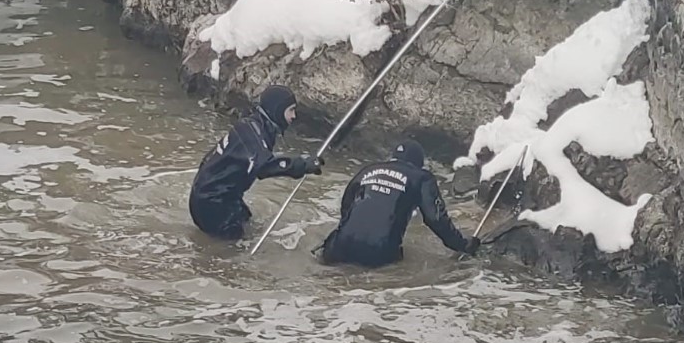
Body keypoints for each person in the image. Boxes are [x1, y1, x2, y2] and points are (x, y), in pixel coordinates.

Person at [317, 139, 479, 267]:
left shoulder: (369, 169)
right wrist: (462, 244)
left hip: (338, 248)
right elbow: (436, 218)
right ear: (418, 163)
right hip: (378, 253)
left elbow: (347, 206)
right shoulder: (421, 177)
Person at [189, 85, 322, 240]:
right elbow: (265, 166)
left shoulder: (254, 126)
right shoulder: (253, 133)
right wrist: (302, 165)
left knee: (248, 221)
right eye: (291, 110)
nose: (294, 116)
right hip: (213, 202)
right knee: (233, 249)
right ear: (277, 111)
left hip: (219, 196)